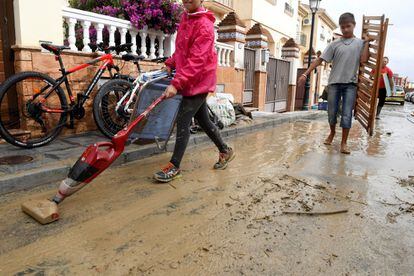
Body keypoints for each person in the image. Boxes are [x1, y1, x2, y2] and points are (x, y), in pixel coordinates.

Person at [153, 0, 235, 183]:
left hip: (199, 81)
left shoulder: (204, 26)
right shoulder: (187, 18)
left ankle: (174, 165)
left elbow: (197, 61)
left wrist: (176, 83)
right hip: (189, 79)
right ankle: (225, 150)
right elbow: (183, 50)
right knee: (203, 120)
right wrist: (170, 63)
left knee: (183, 120)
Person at [298, 12, 371, 154]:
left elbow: (363, 60)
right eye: (342, 27)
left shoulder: (360, 43)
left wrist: (367, 43)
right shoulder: (334, 44)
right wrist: (305, 73)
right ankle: (332, 133)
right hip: (334, 84)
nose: (345, 30)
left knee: (346, 114)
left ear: (354, 25)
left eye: (348, 26)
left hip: (351, 84)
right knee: (331, 113)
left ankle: (344, 143)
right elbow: (320, 60)